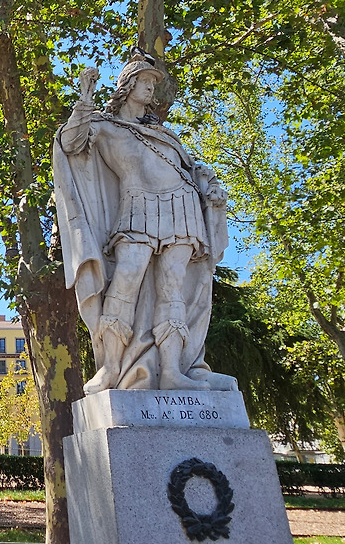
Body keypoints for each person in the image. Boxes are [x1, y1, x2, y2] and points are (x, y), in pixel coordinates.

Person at [53, 53, 233, 393]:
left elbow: (191, 169)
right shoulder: (104, 126)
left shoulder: (162, 133)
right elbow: (69, 143)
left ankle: (172, 371)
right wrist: (84, 101)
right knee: (126, 276)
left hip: (181, 205)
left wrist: (209, 187)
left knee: (172, 284)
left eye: (153, 83)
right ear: (128, 85)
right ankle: (111, 368)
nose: (151, 89)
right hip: (137, 204)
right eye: (145, 82)